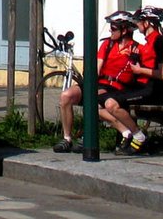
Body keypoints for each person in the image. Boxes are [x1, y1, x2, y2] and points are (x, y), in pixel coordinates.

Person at [53, 10, 139, 153]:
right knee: (66, 96)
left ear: (124, 30)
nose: (111, 31)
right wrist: (88, 84)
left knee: (94, 101)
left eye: (114, 28)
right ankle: (67, 138)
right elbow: (97, 67)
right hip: (99, 82)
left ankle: (91, 136)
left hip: (115, 86)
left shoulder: (134, 48)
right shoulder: (107, 44)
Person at [106, 5, 163, 154]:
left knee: (112, 104)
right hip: (141, 86)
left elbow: (162, 74)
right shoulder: (147, 42)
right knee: (104, 99)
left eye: (139, 21)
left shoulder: (159, 41)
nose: (137, 24)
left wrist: (139, 70)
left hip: (153, 89)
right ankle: (129, 136)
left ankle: (139, 137)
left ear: (147, 23)